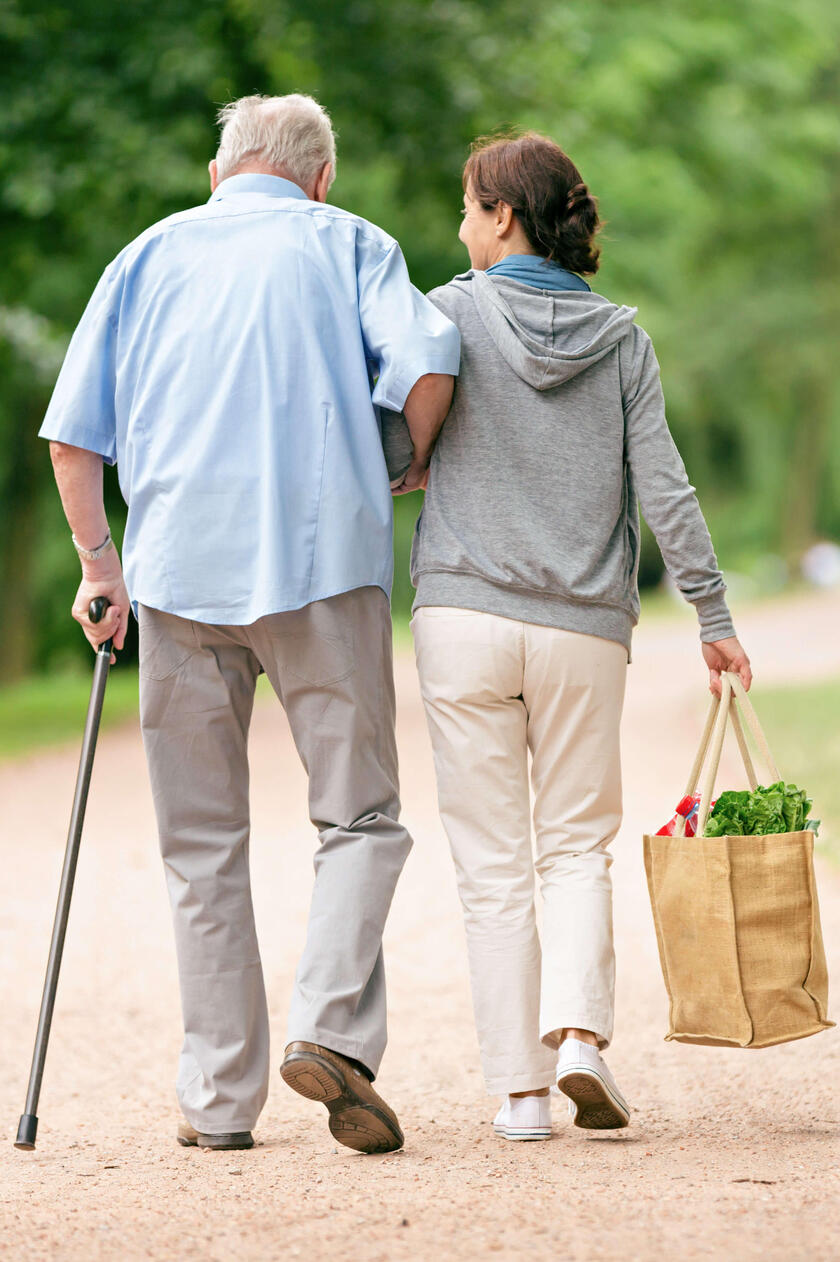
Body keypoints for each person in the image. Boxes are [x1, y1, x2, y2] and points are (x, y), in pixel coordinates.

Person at [39, 93, 460, 1154]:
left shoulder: (146, 255)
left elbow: (73, 440)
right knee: (360, 817)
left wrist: (103, 566)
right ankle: (329, 1028)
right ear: (318, 176)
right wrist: (400, 463)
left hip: (179, 577)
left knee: (200, 844)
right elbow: (429, 363)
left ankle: (220, 1102)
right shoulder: (352, 243)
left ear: (220, 169)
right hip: (323, 569)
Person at [389, 132, 751, 1141]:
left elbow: (393, 443)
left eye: (468, 210)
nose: (461, 231)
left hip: (464, 618)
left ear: (504, 216)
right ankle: (583, 1036)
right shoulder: (624, 340)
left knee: (493, 862)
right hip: (584, 628)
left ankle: (518, 1094)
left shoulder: (448, 312)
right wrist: (712, 617)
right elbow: (666, 490)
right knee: (576, 844)